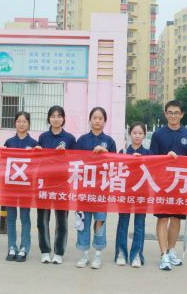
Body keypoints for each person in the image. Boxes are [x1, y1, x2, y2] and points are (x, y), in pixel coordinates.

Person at [149, 100, 187, 271]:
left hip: (182, 184)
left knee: (176, 219)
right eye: (170, 112)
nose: (173, 115)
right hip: (163, 184)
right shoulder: (158, 135)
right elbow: (152, 160)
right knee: (163, 218)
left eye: (176, 113)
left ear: (182, 114)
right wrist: (166, 157)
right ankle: (163, 254)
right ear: (165, 114)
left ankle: (171, 250)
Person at [74, 107, 117, 270]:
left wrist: (105, 153)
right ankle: (84, 254)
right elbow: (74, 162)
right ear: (90, 120)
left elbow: (115, 164)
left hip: (101, 191)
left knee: (100, 223)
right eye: (94, 118)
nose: (97, 121)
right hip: (84, 190)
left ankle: (98, 254)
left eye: (100, 118)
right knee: (83, 223)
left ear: (105, 121)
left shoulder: (109, 141)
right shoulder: (82, 140)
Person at [35, 105, 76, 264]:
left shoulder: (70, 138)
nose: (56, 119)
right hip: (44, 183)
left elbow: (76, 160)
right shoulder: (43, 137)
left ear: (63, 118)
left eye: (59, 116)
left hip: (62, 184)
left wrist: (65, 154)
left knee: (62, 221)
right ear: (49, 119)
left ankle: (59, 252)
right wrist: (37, 151)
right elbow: (38, 159)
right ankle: (45, 251)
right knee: (42, 220)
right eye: (53, 116)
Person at [3, 111, 38, 263]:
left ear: (29, 124)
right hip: (10, 186)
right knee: (11, 218)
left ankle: (24, 248)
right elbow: (2, 162)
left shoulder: (35, 143)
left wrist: (35, 153)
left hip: (26, 187)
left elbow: (38, 166)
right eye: (18, 121)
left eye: (24, 121)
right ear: (15, 123)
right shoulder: (9, 142)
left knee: (25, 218)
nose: (21, 124)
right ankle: (12, 247)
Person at [114, 122, 149, 268]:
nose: (137, 136)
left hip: (142, 193)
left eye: (140, 133)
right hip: (125, 192)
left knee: (139, 224)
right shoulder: (123, 152)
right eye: (134, 133)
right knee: (123, 222)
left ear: (144, 135)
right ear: (129, 134)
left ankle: (136, 255)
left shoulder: (149, 154)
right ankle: (121, 253)